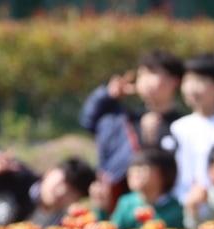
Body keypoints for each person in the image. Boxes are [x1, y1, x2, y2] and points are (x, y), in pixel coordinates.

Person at [79, 50, 185, 210]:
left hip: (165, 209)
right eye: (141, 74)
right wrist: (107, 95)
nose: (145, 80)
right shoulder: (123, 119)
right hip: (118, 203)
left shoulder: (182, 125)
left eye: (153, 73)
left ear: (174, 81)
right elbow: (88, 120)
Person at [0, 145, 95, 228]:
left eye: (72, 192)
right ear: (51, 171)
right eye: (63, 181)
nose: (62, 192)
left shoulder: (60, 227)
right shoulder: (18, 176)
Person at [169, 53, 214, 199]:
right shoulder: (177, 128)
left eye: (200, 80)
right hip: (177, 206)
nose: (191, 88)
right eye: (187, 80)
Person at [109, 148, 184, 229]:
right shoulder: (126, 203)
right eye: (133, 168)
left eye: (142, 168)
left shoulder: (174, 209)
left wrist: (145, 216)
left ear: (163, 174)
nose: (135, 173)